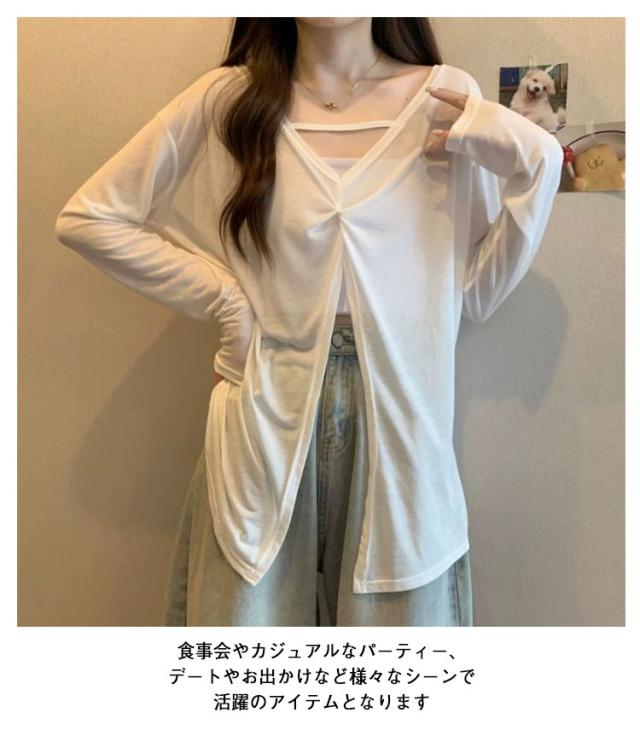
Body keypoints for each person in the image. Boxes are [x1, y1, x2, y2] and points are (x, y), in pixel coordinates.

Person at [54, 18, 564, 626]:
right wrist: (226, 301)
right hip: (264, 408)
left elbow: (471, 297)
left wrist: (537, 163)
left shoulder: (445, 98)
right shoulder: (231, 100)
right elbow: (90, 219)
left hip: (401, 421)